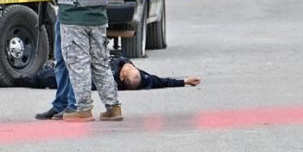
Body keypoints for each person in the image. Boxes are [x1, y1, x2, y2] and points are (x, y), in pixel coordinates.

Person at [15, 54, 201, 91]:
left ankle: (19, 79)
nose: (129, 66)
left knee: (47, 77)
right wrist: (184, 81)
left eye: (127, 69)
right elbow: (161, 81)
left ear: (121, 77)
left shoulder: (108, 79)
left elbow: (81, 82)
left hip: (81, 69)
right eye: (131, 67)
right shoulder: (138, 75)